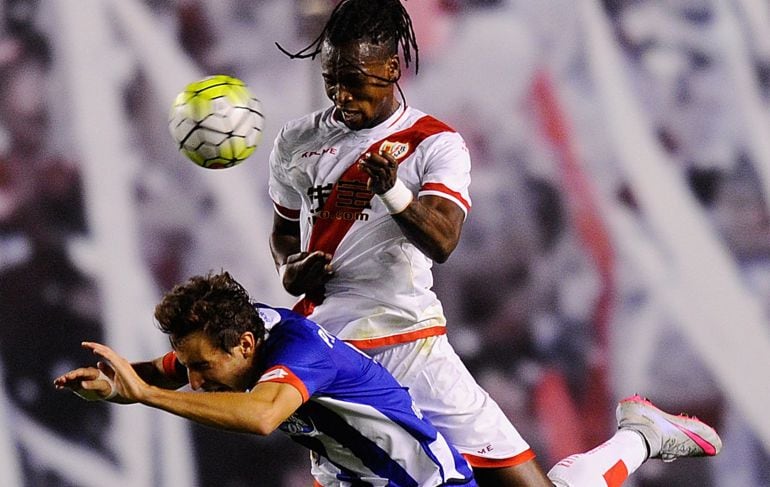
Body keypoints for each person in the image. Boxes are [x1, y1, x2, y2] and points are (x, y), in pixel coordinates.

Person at [266, 1, 722, 486]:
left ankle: (639, 438)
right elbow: (283, 233)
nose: (342, 96)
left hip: (410, 350)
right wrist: (289, 268)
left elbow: (442, 240)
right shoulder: (298, 143)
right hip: (331, 353)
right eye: (331, 80)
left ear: (391, 68)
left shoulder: (434, 140)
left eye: (354, 81)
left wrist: (394, 193)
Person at [54, 271, 478, 487]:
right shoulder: (234, 330)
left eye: (202, 367)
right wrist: (116, 382)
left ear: (244, 344)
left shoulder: (302, 350)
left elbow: (261, 416)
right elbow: (163, 371)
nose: (194, 381)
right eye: (190, 367)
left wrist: (145, 395)